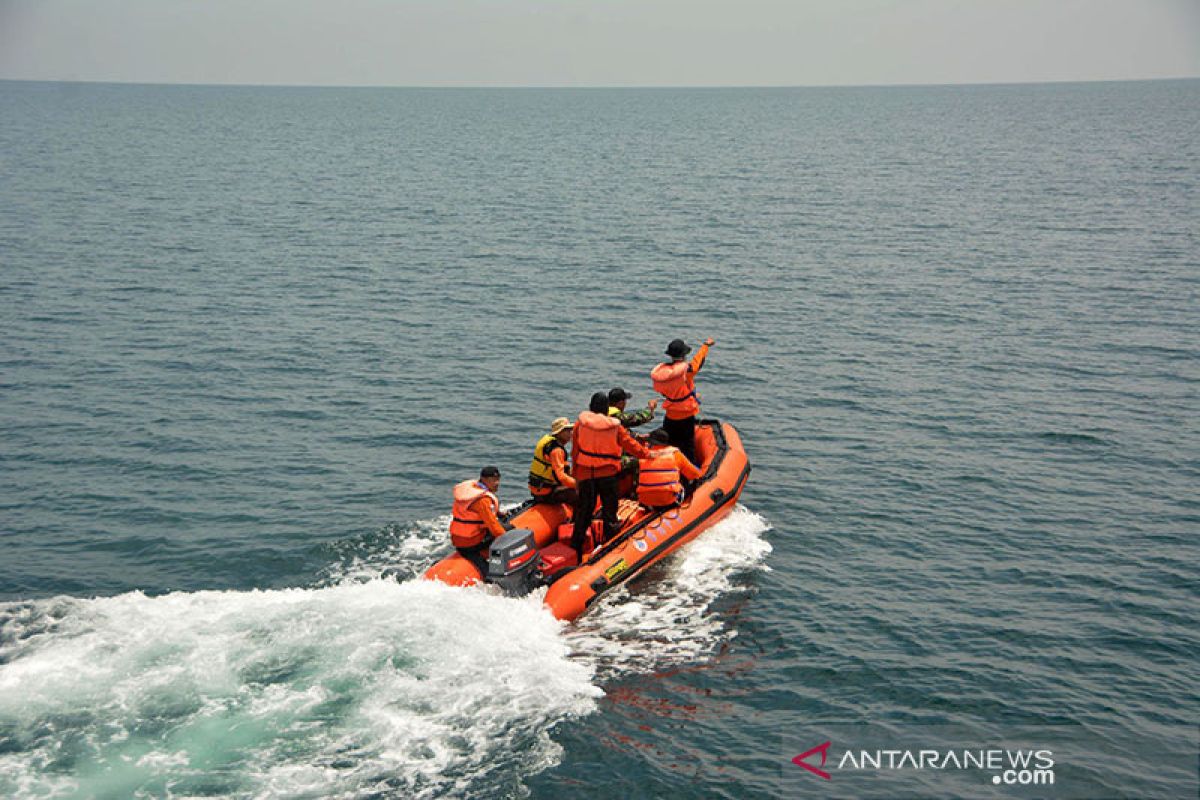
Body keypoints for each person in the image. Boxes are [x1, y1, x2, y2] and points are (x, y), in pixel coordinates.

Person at [571, 392, 651, 560]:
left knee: (584, 511)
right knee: (610, 511)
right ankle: (611, 546)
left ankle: (576, 546)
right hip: (607, 474)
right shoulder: (614, 427)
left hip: (586, 473)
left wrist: (576, 475)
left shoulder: (580, 424)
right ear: (607, 409)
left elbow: (575, 451)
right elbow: (630, 444)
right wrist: (646, 455)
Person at [650, 337, 714, 464]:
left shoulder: (663, 374)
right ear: (684, 355)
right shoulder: (686, 371)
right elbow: (698, 361)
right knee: (688, 446)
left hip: (670, 416)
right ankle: (689, 476)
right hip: (686, 415)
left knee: (669, 444)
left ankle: (668, 467)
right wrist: (706, 346)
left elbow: (663, 392)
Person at [449, 466, 507, 580]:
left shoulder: (471, 493)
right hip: (471, 543)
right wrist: (507, 541)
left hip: (458, 539)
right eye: (493, 480)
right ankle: (495, 571)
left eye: (498, 479)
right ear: (484, 480)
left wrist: (498, 513)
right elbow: (494, 527)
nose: (497, 483)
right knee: (506, 532)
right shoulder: (483, 500)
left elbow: (476, 513)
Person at [637, 428, 703, 510]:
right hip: (668, 500)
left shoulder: (643, 454)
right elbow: (694, 475)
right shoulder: (675, 454)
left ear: (650, 442)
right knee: (693, 482)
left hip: (645, 500)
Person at [528, 417, 578, 505]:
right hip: (546, 491)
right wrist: (578, 484)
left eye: (570, 430)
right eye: (566, 430)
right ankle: (579, 518)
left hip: (538, 488)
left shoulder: (551, 443)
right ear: (558, 433)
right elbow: (561, 477)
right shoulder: (556, 450)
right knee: (581, 494)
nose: (570, 433)